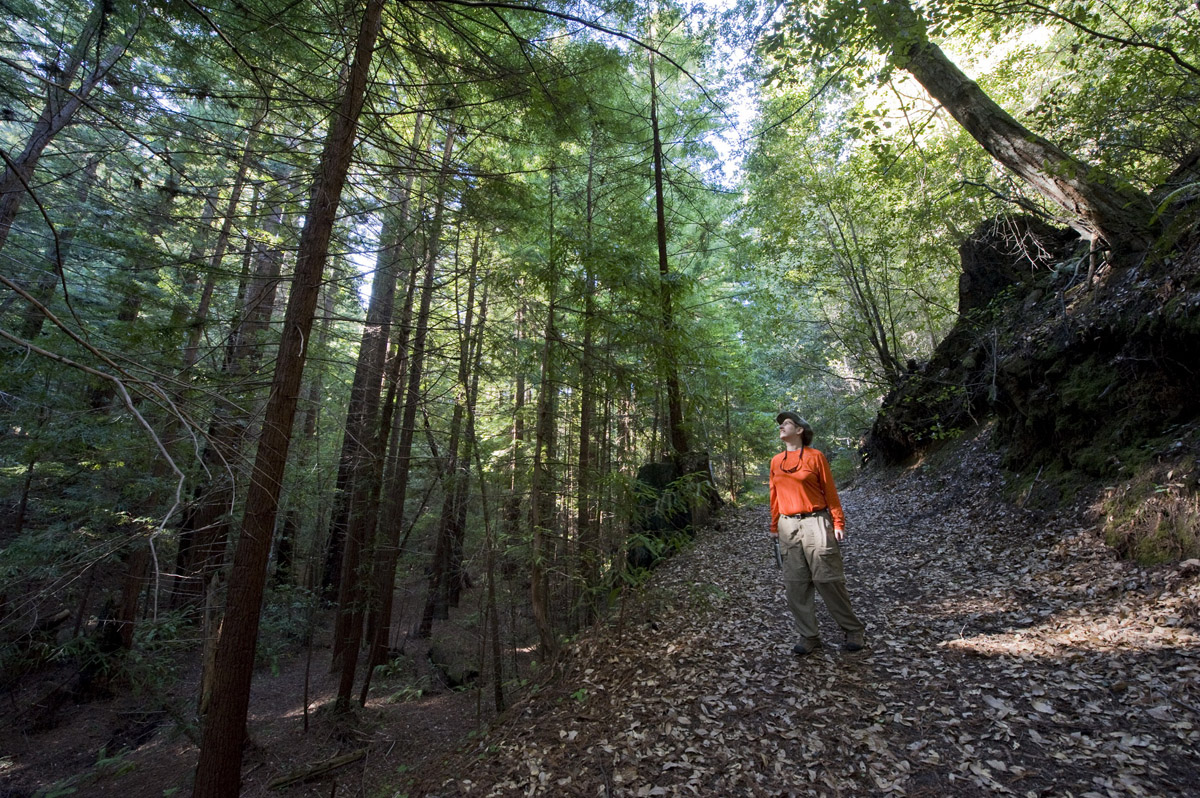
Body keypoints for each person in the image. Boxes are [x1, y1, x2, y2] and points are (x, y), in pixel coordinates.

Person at [769, 411, 866, 655]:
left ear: (800, 430)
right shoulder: (775, 461)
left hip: (816, 521)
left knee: (828, 578)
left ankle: (853, 629)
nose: (781, 426)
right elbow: (774, 498)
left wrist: (838, 522)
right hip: (787, 526)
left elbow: (830, 491)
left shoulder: (815, 457)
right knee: (795, 584)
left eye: (787, 423)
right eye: (780, 424)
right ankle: (809, 635)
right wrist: (774, 527)